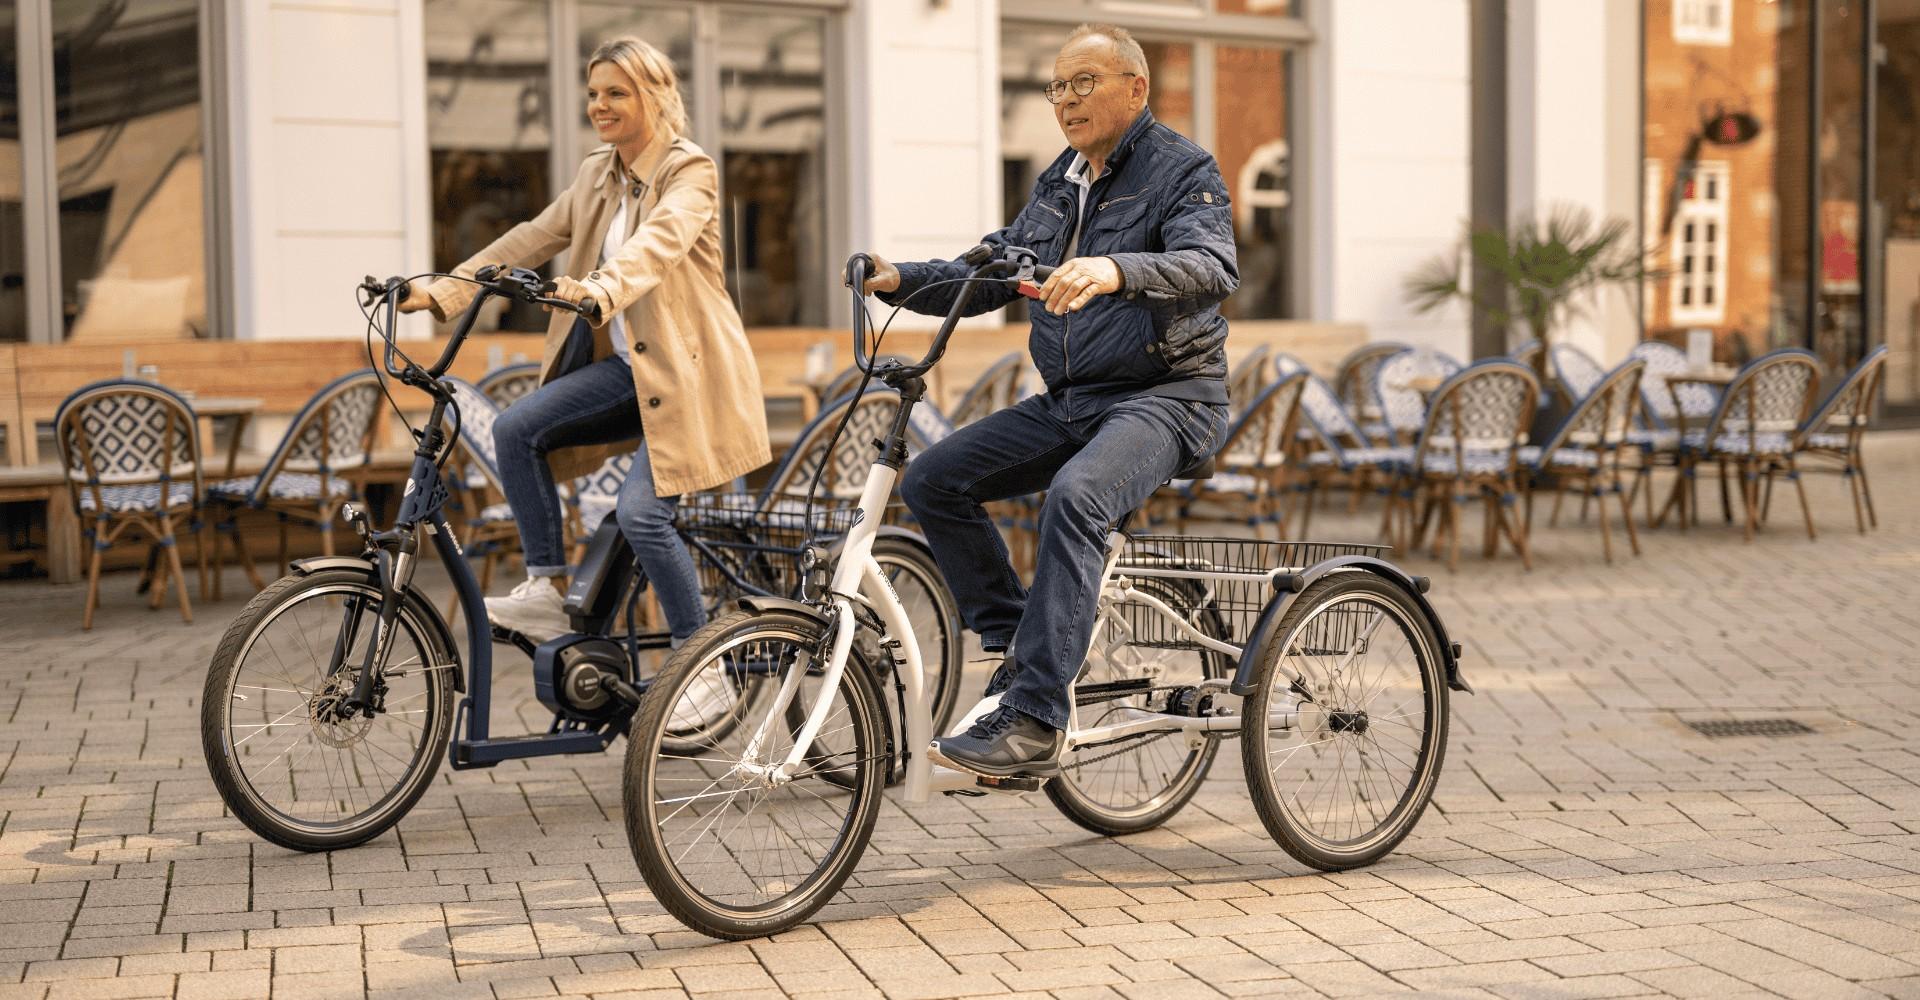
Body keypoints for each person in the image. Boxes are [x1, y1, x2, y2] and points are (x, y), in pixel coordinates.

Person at [858, 23, 1236, 777]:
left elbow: (1211, 264)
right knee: (935, 479)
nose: (1066, 100)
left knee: (1075, 497)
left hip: (1168, 397)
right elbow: (997, 269)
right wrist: (898, 277)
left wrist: (1114, 270)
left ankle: (1034, 715)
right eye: (1058, 86)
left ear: (1136, 87)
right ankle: (1019, 642)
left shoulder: (1182, 168)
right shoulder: (1060, 179)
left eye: (1083, 82)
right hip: (1073, 400)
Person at [401, 37, 770, 648]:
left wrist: (599, 288)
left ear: (655, 96)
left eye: (616, 93)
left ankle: (698, 665)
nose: (600, 105)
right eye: (593, 94)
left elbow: (659, 245)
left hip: (691, 379)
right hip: (631, 372)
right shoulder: (598, 172)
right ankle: (547, 587)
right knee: (515, 430)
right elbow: (528, 238)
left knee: (641, 515)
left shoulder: (690, 170)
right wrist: (441, 290)